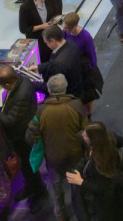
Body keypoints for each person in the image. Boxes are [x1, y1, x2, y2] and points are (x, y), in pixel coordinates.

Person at [27, 73, 87, 221]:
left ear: (50, 90)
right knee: (77, 186)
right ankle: (81, 213)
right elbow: (86, 132)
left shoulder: (41, 110)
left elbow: (30, 135)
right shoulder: (77, 105)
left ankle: (60, 214)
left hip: (53, 157)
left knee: (56, 187)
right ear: (65, 89)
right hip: (75, 154)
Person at [0, 65, 47, 208]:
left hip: (23, 134)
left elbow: (11, 120)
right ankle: (31, 187)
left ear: (7, 84)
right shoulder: (21, 80)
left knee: (30, 166)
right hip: (22, 132)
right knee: (25, 165)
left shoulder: (21, 95)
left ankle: (40, 191)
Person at [65, 122, 123, 221]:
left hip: (106, 206)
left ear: (93, 139)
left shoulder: (99, 162)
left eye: (86, 135)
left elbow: (103, 189)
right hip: (117, 197)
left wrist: (80, 182)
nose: (82, 134)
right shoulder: (108, 144)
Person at [19, 0, 63, 65]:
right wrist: (42, 26)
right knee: (45, 63)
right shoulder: (25, 7)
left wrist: (56, 21)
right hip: (39, 41)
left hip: (52, 36)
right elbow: (23, 29)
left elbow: (56, 12)